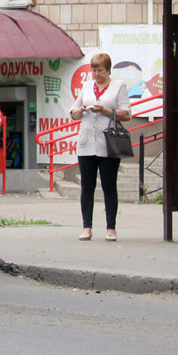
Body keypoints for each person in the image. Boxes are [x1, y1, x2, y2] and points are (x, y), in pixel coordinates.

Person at [68, 52, 132, 242]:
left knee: (108, 185)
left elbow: (126, 114)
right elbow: (73, 110)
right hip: (87, 143)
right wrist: (79, 111)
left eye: (101, 71)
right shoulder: (87, 86)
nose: (97, 74)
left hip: (108, 144)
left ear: (108, 70)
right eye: (94, 70)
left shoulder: (118, 86)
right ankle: (86, 227)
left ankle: (111, 228)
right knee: (87, 186)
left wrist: (104, 110)